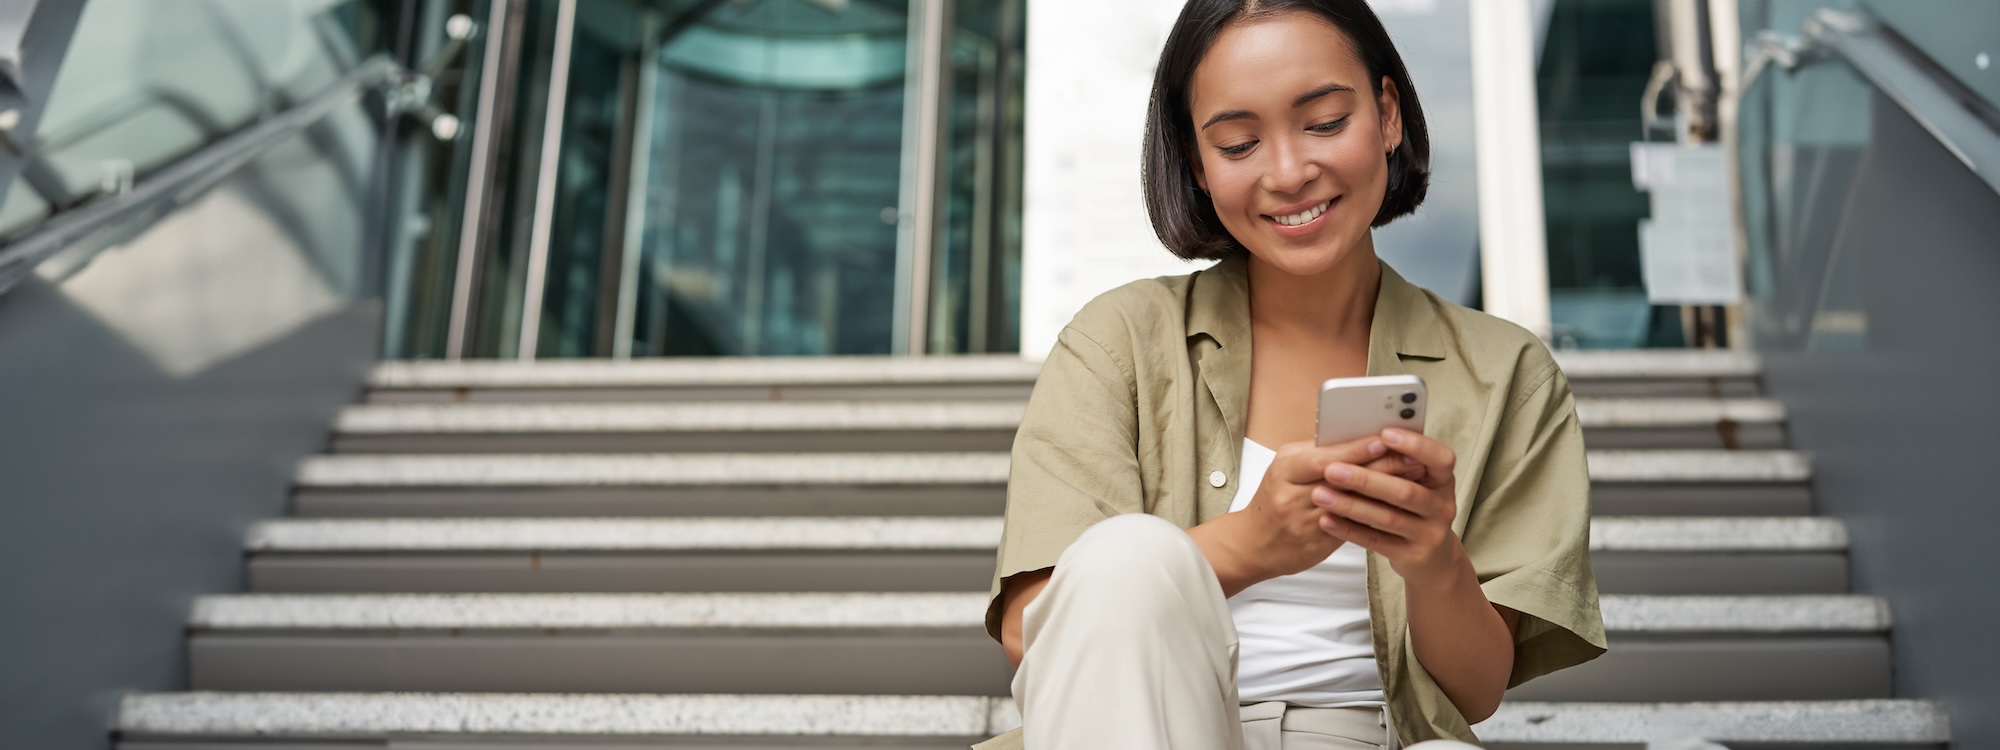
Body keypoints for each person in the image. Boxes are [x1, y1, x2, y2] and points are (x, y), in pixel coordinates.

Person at [978, 1, 1607, 748]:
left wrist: (1431, 556)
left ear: (1388, 114)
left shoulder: (1508, 375)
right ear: (1197, 164)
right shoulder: (1119, 343)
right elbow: (1032, 634)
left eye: (1325, 123)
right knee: (1126, 554)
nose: (1288, 172)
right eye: (1239, 143)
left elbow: (1475, 691)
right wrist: (1255, 542)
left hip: (1377, 736)